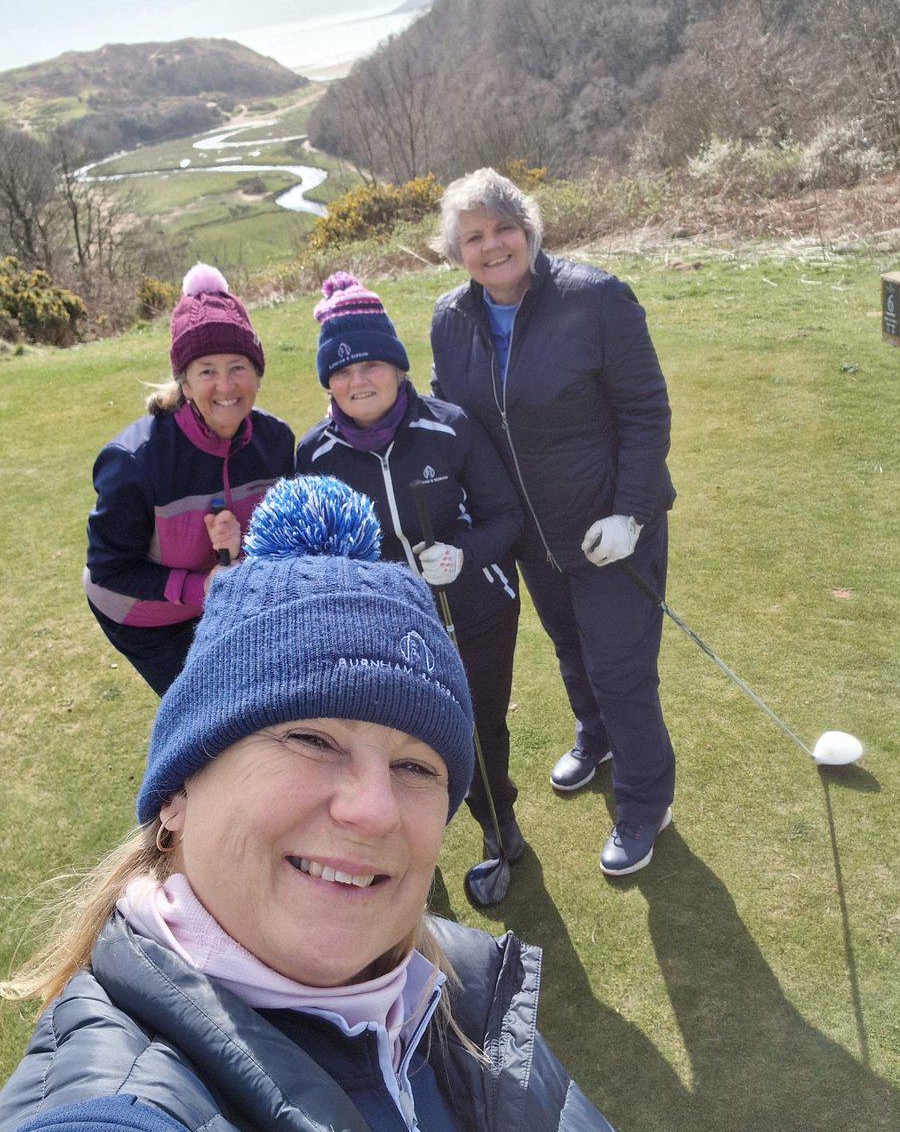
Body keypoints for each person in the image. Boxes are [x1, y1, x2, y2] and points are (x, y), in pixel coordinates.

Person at [0, 474, 616, 1132]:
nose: (375, 810)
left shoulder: (472, 983)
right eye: (312, 738)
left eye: (414, 765)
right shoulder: (120, 1108)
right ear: (178, 793)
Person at [430, 167, 677, 877]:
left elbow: (645, 412)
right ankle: (594, 738)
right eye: (474, 235)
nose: (493, 244)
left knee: (620, 668)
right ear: (459, 251)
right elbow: (454, 425)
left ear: (530, 229)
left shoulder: (596, 298)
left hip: (610, 531)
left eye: (505, 227)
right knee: (571, 649)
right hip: (529, 537)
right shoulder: (452, 319)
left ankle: (644, 802)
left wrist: (630, 512)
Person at [296, 272, 526, 879]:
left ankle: (499, 826)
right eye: (341, 371)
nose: (357, 380)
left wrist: (463, 555)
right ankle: (393, 847)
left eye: (370, 363)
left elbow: (506, 516)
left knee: (479, 728)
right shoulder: (312, 455)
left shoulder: (448, 426)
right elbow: (320, 555)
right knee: (392, 740)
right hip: (386, 626)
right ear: (329, 383)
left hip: (477, 611)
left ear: (397, 367)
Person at [83, 263, 295, 696]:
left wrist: (238, 555)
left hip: (225, 598)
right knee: (210, 711)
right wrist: (200, 587)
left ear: (258, 372)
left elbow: (280, 537)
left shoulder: (276, 441)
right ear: (184, 381)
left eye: (238, 366)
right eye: (206, 371)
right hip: (145, 617)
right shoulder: (134, 462)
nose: (225, 385)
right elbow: (109, 570)